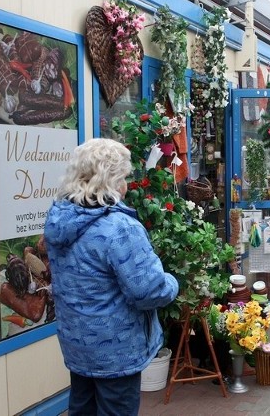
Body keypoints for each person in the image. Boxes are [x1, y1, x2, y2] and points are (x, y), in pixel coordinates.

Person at [44, 138, 179, 416]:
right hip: (115, 350)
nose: (127, 185)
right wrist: (172, 282)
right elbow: (149, 291)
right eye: (124, 177)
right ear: (111, 179)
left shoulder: (59, 220)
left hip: (77, 344)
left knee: (82, 408)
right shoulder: (119, 228)